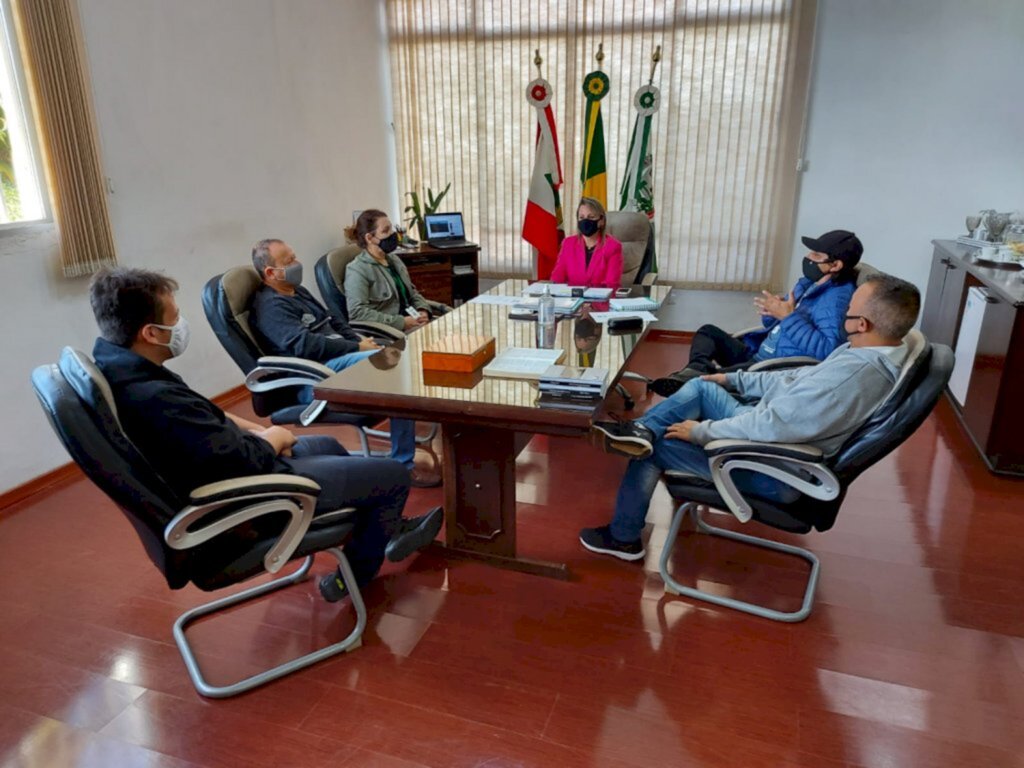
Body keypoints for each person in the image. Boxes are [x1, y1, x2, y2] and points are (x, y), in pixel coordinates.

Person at [88, 267, 443, 601]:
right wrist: (271, 440)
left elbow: (207, 413)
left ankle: (387, 529)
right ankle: (350, 578)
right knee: (393, 475)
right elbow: (242, 460)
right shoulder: (152, 397)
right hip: (249, 493)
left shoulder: (128, 368)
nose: (180, 323)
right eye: (174, 317)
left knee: (329, 445)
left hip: (239, 461)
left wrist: (262, 430)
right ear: (150, 333)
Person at [580, 273, 920, 561]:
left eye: (849, 309)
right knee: (701, 387)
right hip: (769, 428)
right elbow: (793, 379)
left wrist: (703, 432)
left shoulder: (852, 377)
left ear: (862, 323)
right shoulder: (867, 348)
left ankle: (623, 536)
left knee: (657, 444)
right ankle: (638, 431)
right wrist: (734, 378)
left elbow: (772, 426)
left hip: (774, 466)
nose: (843, 311)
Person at [248, 238, 439, 488]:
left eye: (294, 256)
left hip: (340, 360)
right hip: (315, 377)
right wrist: (357, 347)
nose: (297, 263)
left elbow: (334, 321)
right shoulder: (271, 306)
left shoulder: (297, 291)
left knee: (397, 366)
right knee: (395, 367)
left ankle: (406, 450)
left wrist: (361, 340)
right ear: (271, 272)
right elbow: (304, 346)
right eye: (289, 261)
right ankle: (403, 466)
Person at [648, 230, 864, 398]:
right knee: (708, 332)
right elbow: (778, 327)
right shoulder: (809, 283)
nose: (808, 257)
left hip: (773, 368)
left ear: (835, 265)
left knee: (707, 381)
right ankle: (694, 369)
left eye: (816, 255)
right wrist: (772, 314)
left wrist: (787, 317)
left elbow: (827, 351)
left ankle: (691, 378)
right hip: (760, 352)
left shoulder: (836, 301)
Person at [344, 209, 450, 332]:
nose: (392, 234)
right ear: (369, 238)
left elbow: (412, 292)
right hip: (391, 330)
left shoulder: (394, 260)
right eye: (385, 231)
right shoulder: (357, 270)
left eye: (391, 228)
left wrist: (422, 309)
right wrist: (401, 322)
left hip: (412, 320)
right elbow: (357, 312)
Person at [550, 197, 623, 289]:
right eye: (581, 217)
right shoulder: (568, 243)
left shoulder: (613, 246)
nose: (585, 221)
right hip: (571, 299)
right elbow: (557, 278)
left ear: (601, 221)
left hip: (599, 301)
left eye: (591, 217)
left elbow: (612, 284)